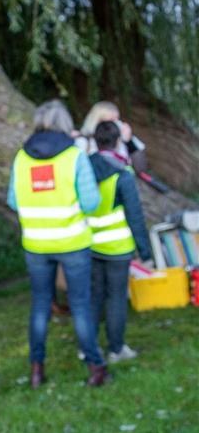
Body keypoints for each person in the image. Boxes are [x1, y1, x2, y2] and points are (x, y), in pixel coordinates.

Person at [7, 100, 110, 388]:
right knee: (80, 305)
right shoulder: (74, 157)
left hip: (37, 244)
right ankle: (95, 367)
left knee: (40, 306)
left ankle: (37, 369)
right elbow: (91, 203)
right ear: (65, 122)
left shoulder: (21, 158)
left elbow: (13, 201)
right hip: (73, 241)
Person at [86, 121, 153, 363]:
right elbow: (135, 216)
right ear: (117, 142)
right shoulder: (123, 175)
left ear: (95, 140)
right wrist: (145, 252)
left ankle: (88, 347)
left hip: (90, 245)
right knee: (115, 297)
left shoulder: (84, 171)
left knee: (94, 297)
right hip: (117, 246)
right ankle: (116, 349)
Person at [76, 101, 147, 173]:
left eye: (117, 120)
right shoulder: (83, 141)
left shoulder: (124, 137)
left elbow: (140, 168)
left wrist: (129, 142)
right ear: (96, 121)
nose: (117, 124)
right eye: (111, 121)